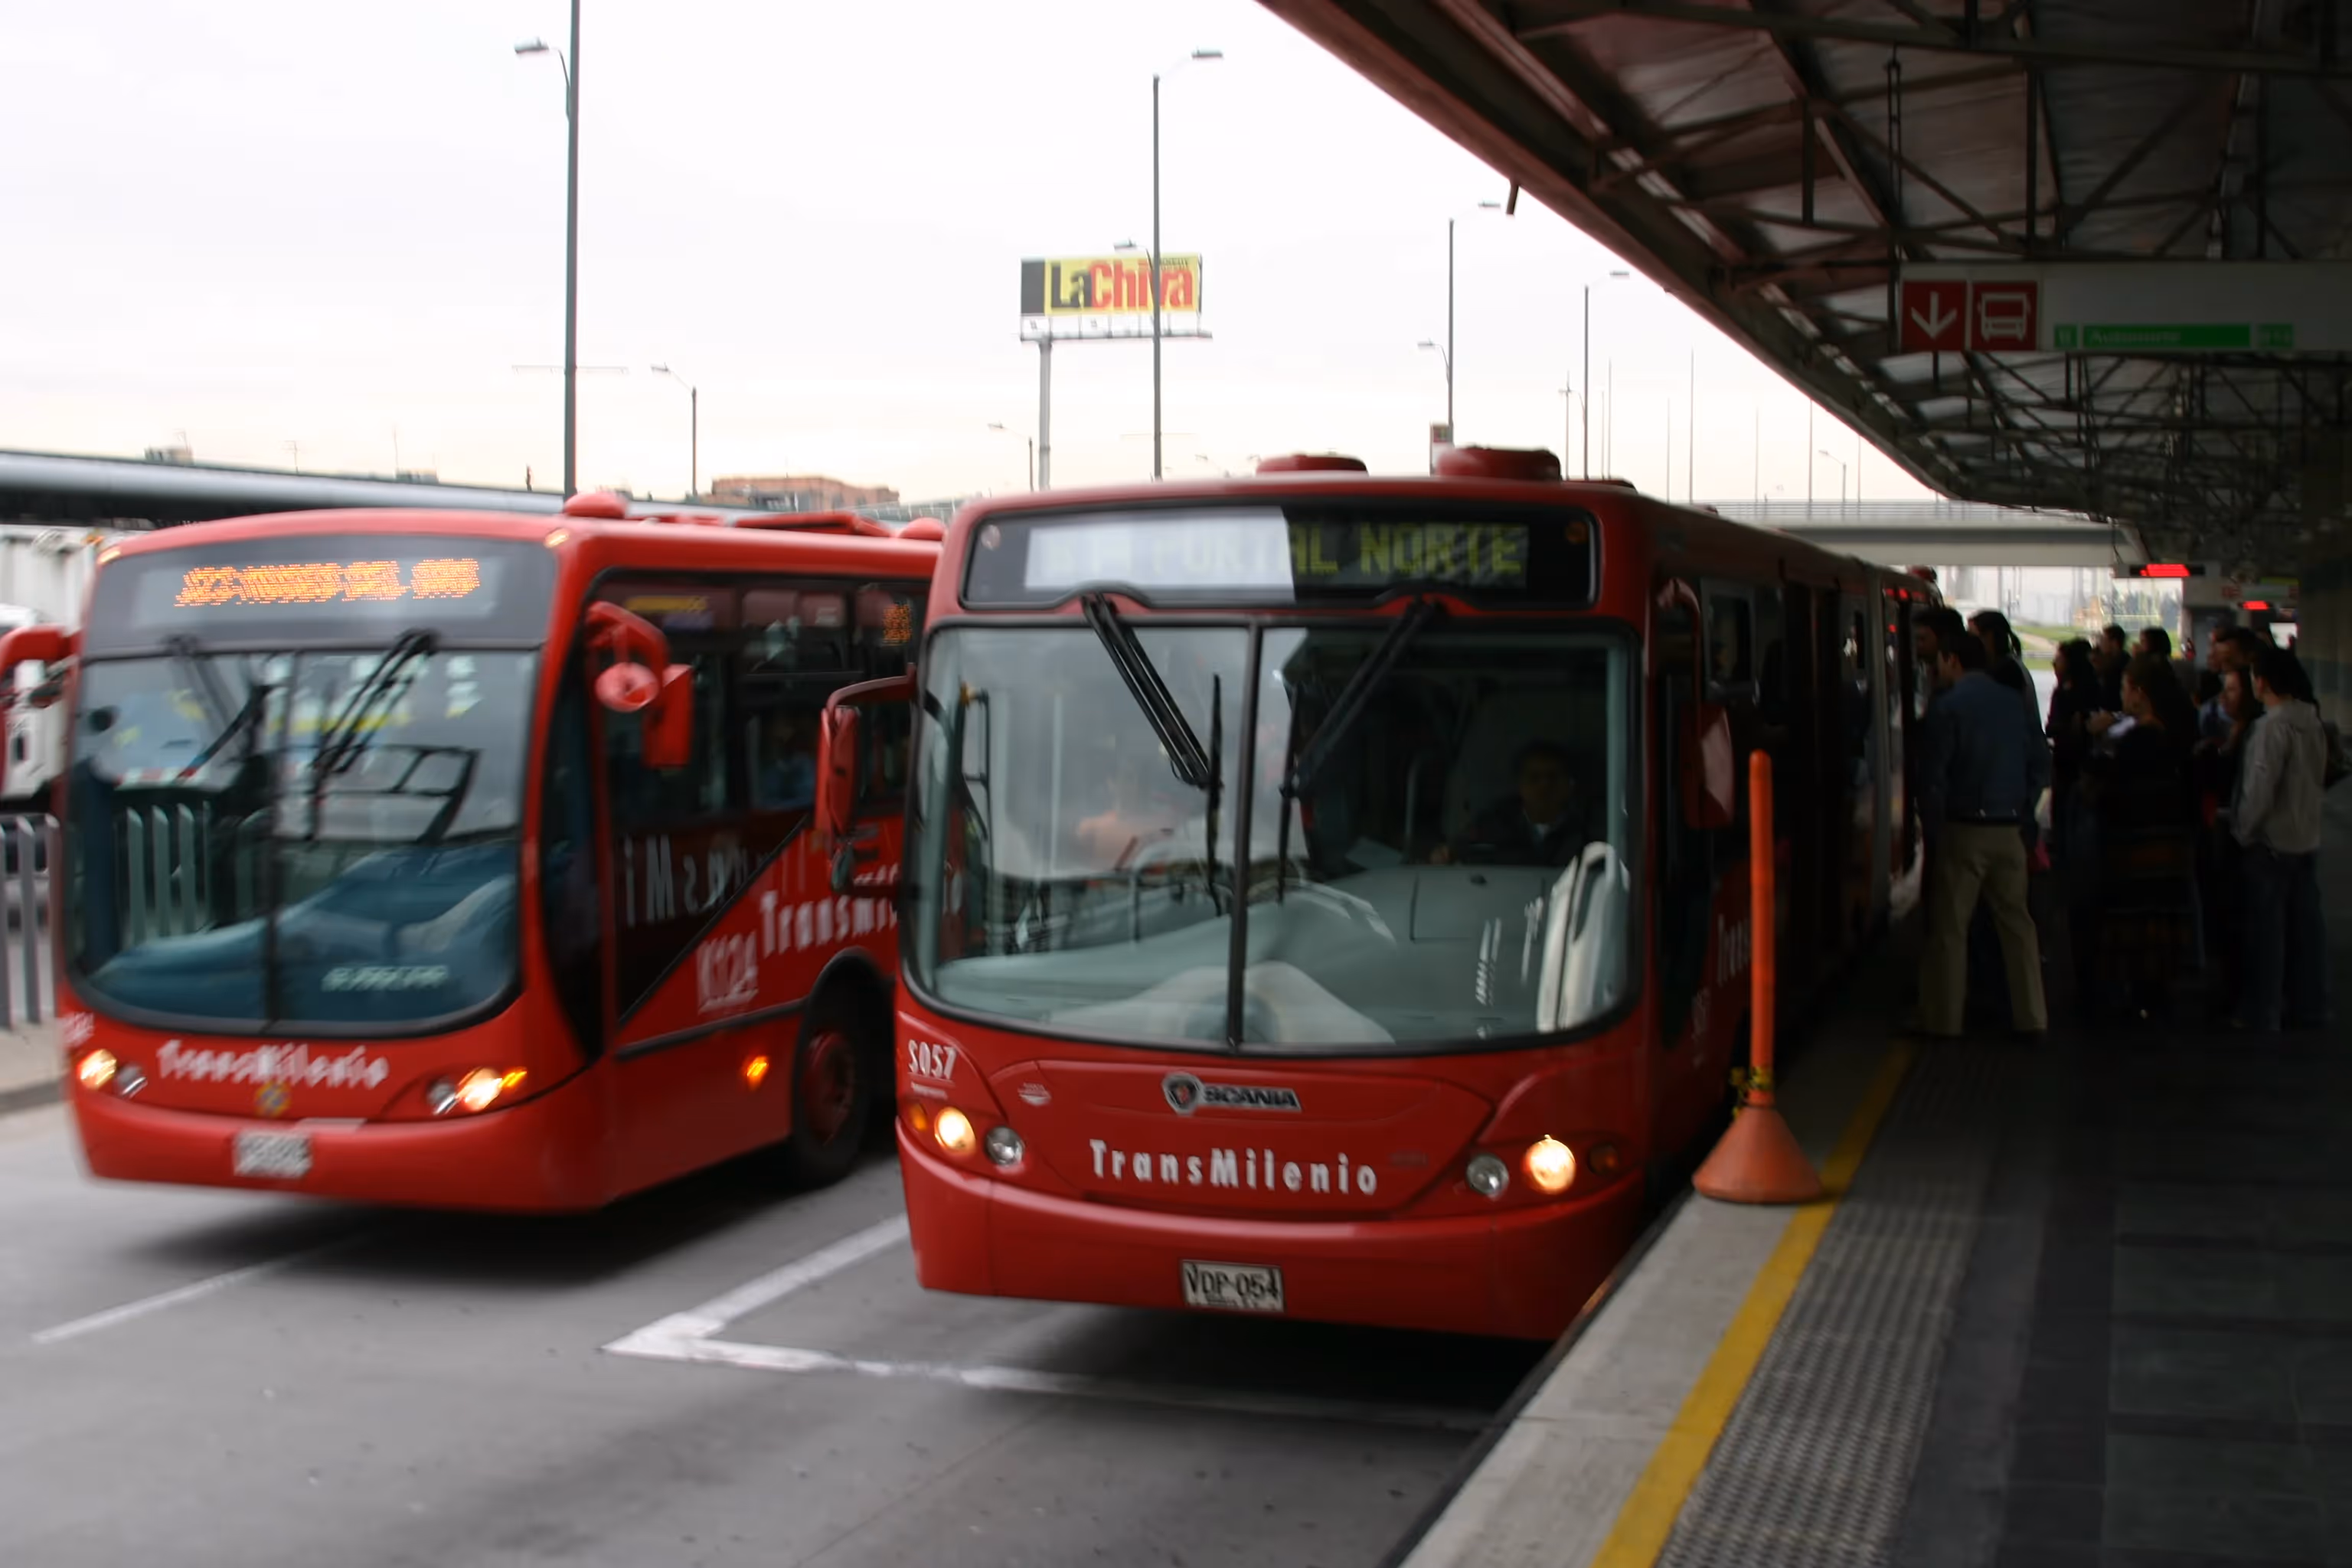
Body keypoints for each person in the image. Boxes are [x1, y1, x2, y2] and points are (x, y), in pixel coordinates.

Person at [1916, 629, 2051, 1038]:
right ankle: (2033, 1018)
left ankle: (1945, 1022)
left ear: (1952, 660)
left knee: (1951, 930)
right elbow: (2040, 764)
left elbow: (1933, 776)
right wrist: (2024, 815)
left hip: (1964, 830)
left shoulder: (1948, 707)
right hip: (2009, 829)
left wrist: (1935, 827)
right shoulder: (2013, 703)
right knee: (2018, 926)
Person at [2077, 653, 2200, 1019]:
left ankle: (2134, 997)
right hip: (2170, 844)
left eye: (2125, 688)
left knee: (2133, 923)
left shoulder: (2136, 741)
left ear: (2140, 693)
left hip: (2134, 846)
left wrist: (2096, 738)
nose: (2121, 695)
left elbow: (2104, 786)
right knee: (2161, 921)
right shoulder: (2176, 733)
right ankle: (2157, 995)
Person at [2226, 646, 2329, 1031]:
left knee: (2265, 937)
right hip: (2306, 840)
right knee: (2306, 935)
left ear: (2263, 682)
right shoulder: (2313, 723)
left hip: (2270, 846)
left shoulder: (2271, 727)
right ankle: (2311, 1006)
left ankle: (2262, 1011)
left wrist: (2242, 831)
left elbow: (2260, 789)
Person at [1431, 740, 1592, 867]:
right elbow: (1454, 853)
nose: (1544, 787)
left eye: (1553, 778)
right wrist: (1444, 856)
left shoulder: (1589, 829)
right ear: (1520, 785)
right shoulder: (1493, 824)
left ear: (1569, 785)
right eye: (1534, 778)